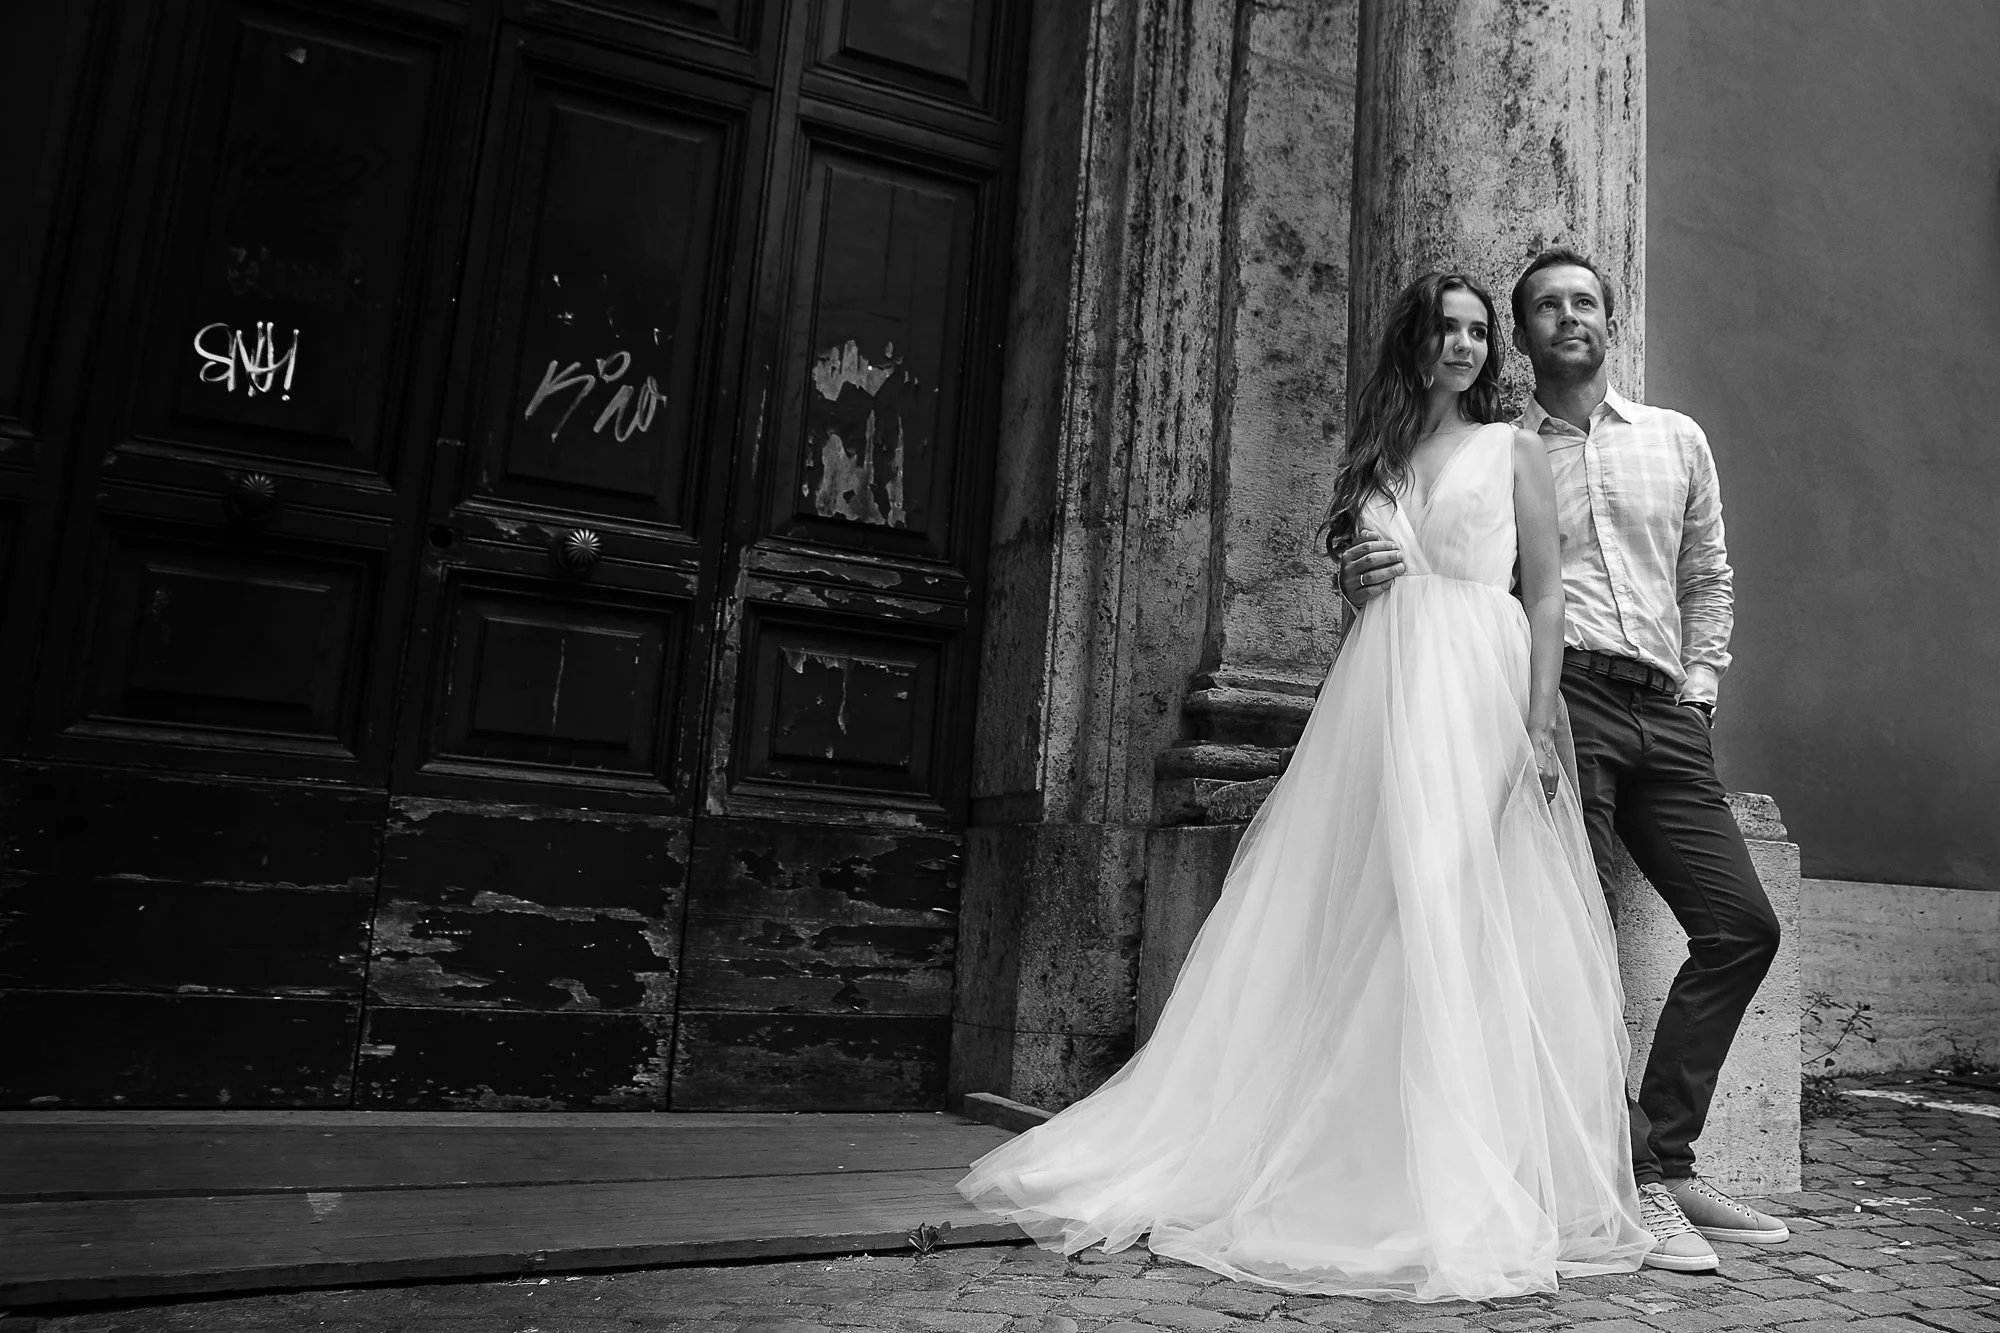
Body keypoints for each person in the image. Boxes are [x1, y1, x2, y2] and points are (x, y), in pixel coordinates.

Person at [959, 272, 1653, 1300]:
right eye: (1442, 330)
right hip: (1381, 689)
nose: (1461, 346)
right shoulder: (1373, 459)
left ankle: (1462, 1164)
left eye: (1474, 331)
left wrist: (1537, 723)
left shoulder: (1511, 448)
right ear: (1410, 345)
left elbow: (1545, 593)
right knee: (1371, 900)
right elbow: (1370, 598)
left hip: (1479, 681)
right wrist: (1356, 581)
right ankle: (1362, 1142)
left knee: (1454, 906)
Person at [1339, 248, 1790, 1274]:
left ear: (1608, 318)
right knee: (1567, 946)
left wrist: (1702, 689)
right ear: (1522, 332)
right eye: (1543, 306)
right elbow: (1431, 564)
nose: (1566, 318)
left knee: (1741, 926)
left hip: (1665, 709)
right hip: (1558, 700)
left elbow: (1706, 574)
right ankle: (1627, 1183)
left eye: (1582, 301)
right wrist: (1363, 573)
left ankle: (1659, 1155)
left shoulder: (1674, 438)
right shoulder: (1498, 448)